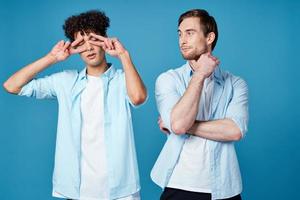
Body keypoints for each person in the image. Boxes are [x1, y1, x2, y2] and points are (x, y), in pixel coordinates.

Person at [3, 10, 147, 200]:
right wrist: (52, 58)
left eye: (93, 40)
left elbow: (138, 98)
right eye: (81, 42)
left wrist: (123, 55)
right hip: (78, 189)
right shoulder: (65, 81)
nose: (88, 48)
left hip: (120, 189)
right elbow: (12, 85)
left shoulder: (122, 79)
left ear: (104, 40)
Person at [151, 9, 248, 200]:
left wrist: (187, 126)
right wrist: (200, 75)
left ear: (209, 37)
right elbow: (178, 124)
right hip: (178, 185)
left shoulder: (236, 84)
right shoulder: (167, 79)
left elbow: (235, 131)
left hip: (224, 189)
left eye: (190, 33)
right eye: (179, 34)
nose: (182, 40)